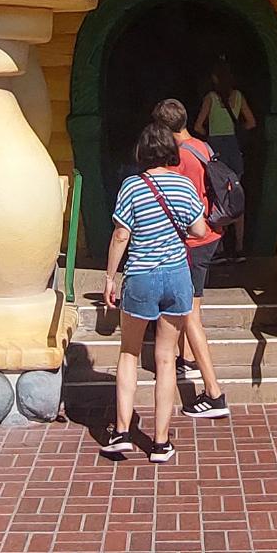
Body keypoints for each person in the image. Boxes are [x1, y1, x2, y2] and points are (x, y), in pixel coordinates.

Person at [99, 122, 204, 461]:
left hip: (141, 276)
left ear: (141, 152)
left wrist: (110, 277)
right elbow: (199, 230)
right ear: (171, 151)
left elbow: (121, 235)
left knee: (129, 352)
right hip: (176, 275)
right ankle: (160, 442)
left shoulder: (132, 186)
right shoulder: (184, 185)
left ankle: (122, 431)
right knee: (166, 358)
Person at [153, 99, 231, 420]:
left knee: (190, 314)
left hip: (192, 240)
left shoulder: (180, 157)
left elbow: (173, 198)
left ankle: (214, 393)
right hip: (210, 235)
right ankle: (186, 358)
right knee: (192, 304)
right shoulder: (202, 146)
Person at [195, 62, 256, 260]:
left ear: (214, 78)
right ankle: (239, 247)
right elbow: (251, 122)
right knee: (236, 195)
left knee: (216, 196)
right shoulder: (238, 96)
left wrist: (209, 136)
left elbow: (198, 126)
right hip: (233, 148)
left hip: (217, 149)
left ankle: (219, 246)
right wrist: (236, 133)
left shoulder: (210, 98)